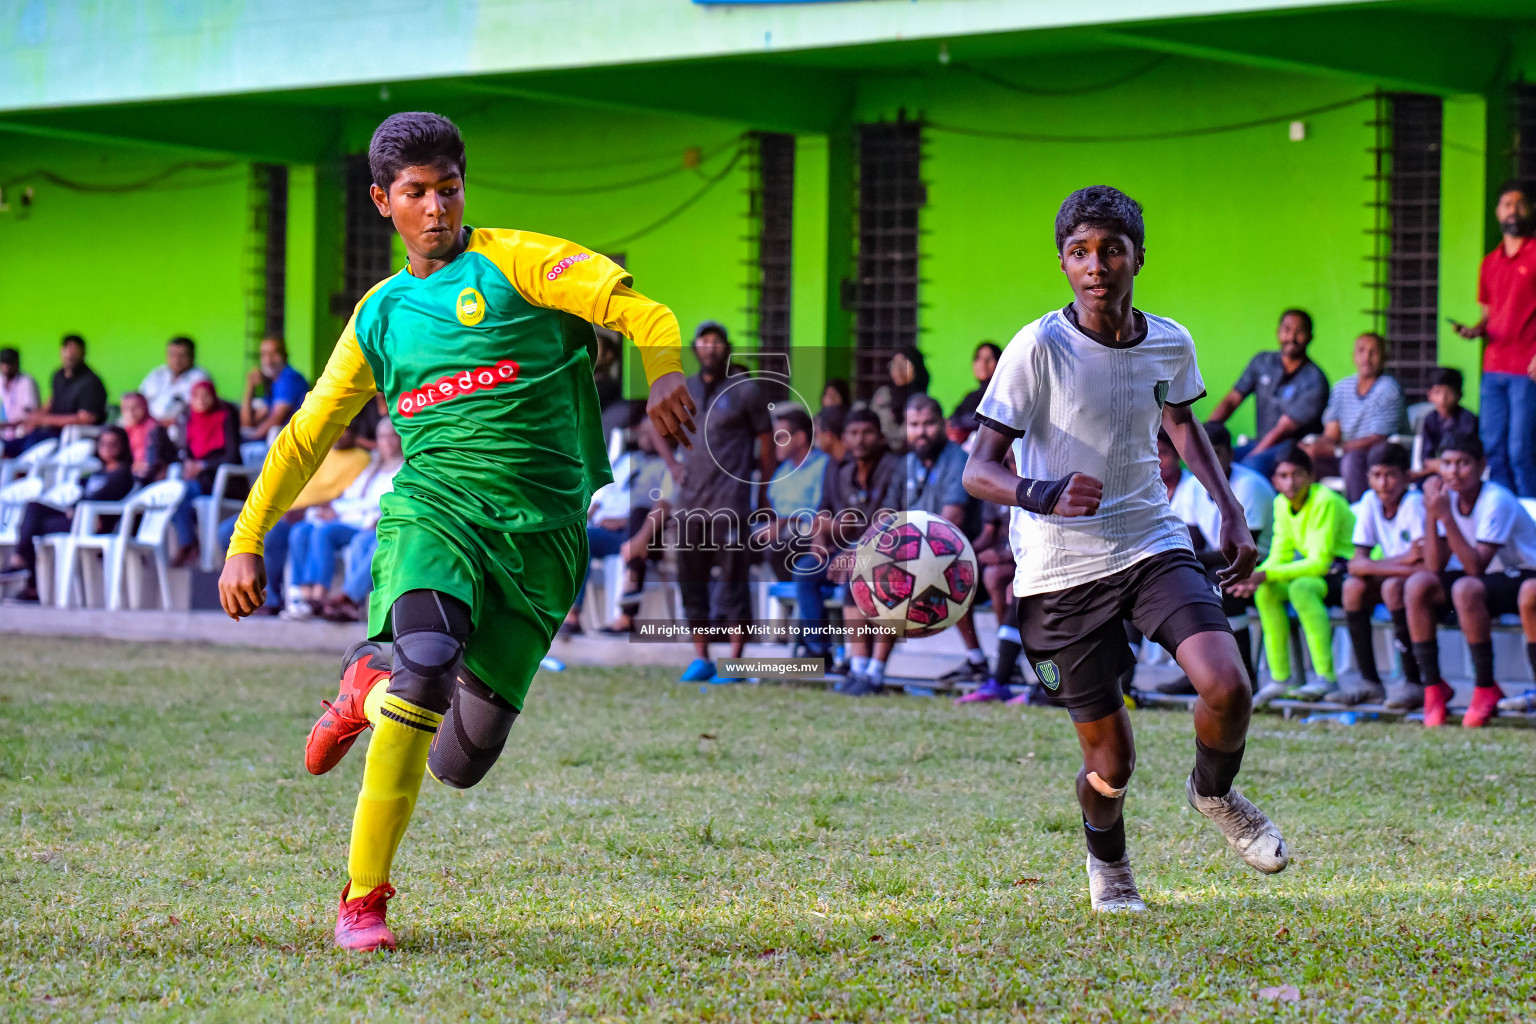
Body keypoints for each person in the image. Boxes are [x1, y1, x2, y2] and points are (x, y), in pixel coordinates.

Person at [217, 112, 693, 952]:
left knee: (459, 763)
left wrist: (663, 378)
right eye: (415, 193)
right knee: (427, 671)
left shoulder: (521, 261)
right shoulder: (382, 314)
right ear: (382, 202)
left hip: (542, 543)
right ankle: (363, 900)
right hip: (435, 513)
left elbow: (645, 313)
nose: (435, 207)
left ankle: (365, 685)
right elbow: (306, 435)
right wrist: (245, 538)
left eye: (448, 188)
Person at [963, 185, 1284, 914]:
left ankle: (1216, 793)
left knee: (1228, 685)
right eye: (1079, 252)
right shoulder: (1036, 347)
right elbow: (976, 470)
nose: (1096, 265)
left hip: (1150, 540)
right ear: (1063, 263)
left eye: (1111, 249)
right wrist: (1042, 493)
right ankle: (1108, 868)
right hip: (1059, 569)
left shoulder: (1170, 340)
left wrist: (1231, 511)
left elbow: (1182, 423)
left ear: (1138, 255)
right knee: (1111, 765)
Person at [1399, 433, 1536, 728]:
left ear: (1481, 466)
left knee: (1465, 587)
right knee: (1418, 585)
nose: (1454, 472)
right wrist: (1431, 514)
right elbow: (1434, 566)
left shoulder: (1496, 499)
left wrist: (1445, 516)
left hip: (1524, 573)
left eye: (1463, 463)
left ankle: (1485, 685)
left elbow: (1476, 567)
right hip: (1490, 580)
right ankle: (1433, 687)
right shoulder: (1448, 500)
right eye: (1447, 464)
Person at [670, 321, 774, 684]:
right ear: (695, 348)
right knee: (691, 579)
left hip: (730, 501)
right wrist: (671, 465)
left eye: (716, 341)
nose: (709, 347)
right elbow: (661, 425)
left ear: (726, 348)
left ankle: (735, 661)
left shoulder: (745, 390)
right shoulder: (687, 387)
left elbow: (766, 441)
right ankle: (701, 657)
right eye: (703, 341)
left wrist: (762, 489)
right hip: (690, 502)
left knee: (733, 579)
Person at [1227, 447, 1354, 703]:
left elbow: (1319, 563)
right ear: (1274, 480)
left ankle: (1326, 679)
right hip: (1322, 573)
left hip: (1346, 572)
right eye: (1283, 475)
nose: (1290, 482)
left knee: (1301, 588)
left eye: (1296, 474)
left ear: (1310, 476)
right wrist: (1257, 576)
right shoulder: (1280, 504)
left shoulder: (1324, 500)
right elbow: (1280, 554)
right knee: (1267, 591)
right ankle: (1280, 679)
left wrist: (1264, 574)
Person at [1162, 421, 1276, 695]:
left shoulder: (1251, 486)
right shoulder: (1191, 488)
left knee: (1217, 582)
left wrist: (1190, 560)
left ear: (1231, 454)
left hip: (1258, 563)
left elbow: (1242, 549)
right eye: (1202, 453)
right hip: (1216, 562)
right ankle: (1198, 674)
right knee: (1183, 580)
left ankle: (1245, 675)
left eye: (1216, 452)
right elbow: (1193, 542)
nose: (1209, 460)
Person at [218, 420, 372, 615]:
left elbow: (345, 497)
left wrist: (304, 511)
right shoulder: (320, 451)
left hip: (305, 516)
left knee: (273, 536)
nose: (340, 434)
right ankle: (244, 590)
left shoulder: (360, 459)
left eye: (347, 430)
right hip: (280, 509)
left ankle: (269, 599)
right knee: (226, 532)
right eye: (338, 429)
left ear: (356, 433)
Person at [798, 408, 900, 681]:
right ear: (844, 437)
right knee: (805, 569)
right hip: (843, 550)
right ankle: (821, 652)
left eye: (867, 433)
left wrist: (853, 548)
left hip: (885, 553)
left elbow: (891, 521)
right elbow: (822, 514)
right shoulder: (840, 469)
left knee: (855, 573)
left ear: (880, 437)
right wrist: (819, 542)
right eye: (853, 433)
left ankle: (861, 666)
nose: (860, 440)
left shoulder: (894, 468)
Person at [1454, 181, 1536, 496]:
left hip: (1526, 370)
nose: (1513, 210)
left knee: (1520, 451)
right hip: (1493, 368)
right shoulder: (1489, 263)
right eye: (1506, 204)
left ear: (1529, 210)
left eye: (1520, 203)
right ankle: (1503, 521)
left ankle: (1529, 522)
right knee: (1493, 450)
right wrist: (1473, 330)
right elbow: (1489, 317)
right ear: (1497, 212)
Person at [903, 394, 989, 686]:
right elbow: (886, 517)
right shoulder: (905, 464)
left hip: (961, 553)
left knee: (942, 570)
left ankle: (978, 659)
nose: (921, 431)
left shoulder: (958, 460)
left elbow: (949, 523)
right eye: (914, 424)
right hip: (913, 553)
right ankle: (865, 668)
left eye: (928, 423)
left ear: (943, 424)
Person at [0, 427, 135, 602]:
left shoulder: (123, 474)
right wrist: (73, 507)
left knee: (31, 528)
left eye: (113, 444)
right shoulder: (96, 474)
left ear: (123, 446)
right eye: (103, 443)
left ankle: (24, 574)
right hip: (76, 518)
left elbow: (105, 499)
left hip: (93, 524)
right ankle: (23, 568)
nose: (107, 448)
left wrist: (79, 509)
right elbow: (81, 494)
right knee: (33, 509)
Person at [1336, 442, 1425, 705]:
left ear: (1407, 477)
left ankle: (1414, 682)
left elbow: (1422, 564)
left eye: (1390, 475)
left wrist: (1385, 566)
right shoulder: (1369, 501)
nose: (1383, 483)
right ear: (1368, 477)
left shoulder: (1414, 503)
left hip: (1421, 581)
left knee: (1392, 587)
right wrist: (1403, 561)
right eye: (1376, 475)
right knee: (1352, 587)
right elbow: (1356, 563)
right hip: (1399, 575)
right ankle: (1369, 681)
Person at [288, 418, 404, 618]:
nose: (387, 441)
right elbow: (351, 494)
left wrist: (339, 511)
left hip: (371, 523)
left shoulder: (403, 469)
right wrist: (333, 508)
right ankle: (308, 597)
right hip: (353, 519)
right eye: (382, 436)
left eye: (392, 436)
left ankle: (325, 596)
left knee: (325, 532)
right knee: (304, 529)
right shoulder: (374, 468)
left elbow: (383, 503)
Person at [1208, 310, 1329, 480]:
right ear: (1278, 332)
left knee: (1248, 469)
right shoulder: (1262, 362)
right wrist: (1205, 434)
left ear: (1310, 337)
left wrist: (1248, 458)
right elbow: (1232, 400)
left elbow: (1283, 429)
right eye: (1287, 330)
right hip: (1260, 442)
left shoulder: (1315, 380)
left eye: (1299, 331)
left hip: (1291, 449)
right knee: (1209, 462)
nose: (1292, 337)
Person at [1307, 332, 1406, 501]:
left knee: (1352, 460)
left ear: (1384, 357)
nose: (1366, 357)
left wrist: (1338, 449)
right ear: (1353, 356)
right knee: (1302, 459)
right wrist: (1313, 448)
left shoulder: (1388, 389)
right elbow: (1332, 434)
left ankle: (1358, 515)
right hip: (1344, 454)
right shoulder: (1342, 387)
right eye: (1361, 351)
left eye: (1373, 352)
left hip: (1376, 458)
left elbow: (1379, 439)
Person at [167, 381, 244, 568]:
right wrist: (188, 464)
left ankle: (188, 544)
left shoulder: (226, 415)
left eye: (205, 395)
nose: (200, 400)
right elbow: (183, 450)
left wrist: (203, 465)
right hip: (197, 479)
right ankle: (188, 542)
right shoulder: (188, 418)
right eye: (196, 396)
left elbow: (232, 455)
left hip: (223, 480)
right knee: (174, 493)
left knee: (182, 492)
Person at [2, 335, 108, 457]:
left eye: (74, 351)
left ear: (83, 353)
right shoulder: (59, 375)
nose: (69, 355)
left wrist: (46, 420)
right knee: (8, 447)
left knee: (23, 451)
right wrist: (34, 419)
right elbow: (52, 400)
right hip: (47, 431)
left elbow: (86, 418)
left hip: (67, 437)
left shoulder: (90, 382)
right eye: (66, 350)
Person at [240, 336, 309, 441]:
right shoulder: (273, 382)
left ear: (284, 356)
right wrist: (250, 386)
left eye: (273, 354)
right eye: (264, 354)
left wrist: (250, 438)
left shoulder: (289, 377)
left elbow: (276, 418)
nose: (268, 360)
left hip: (296, 440)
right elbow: (248, 422)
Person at [1416, 367, 1477, 481]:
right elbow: (1426, 459)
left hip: (1460, 474)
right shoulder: (1429, 420)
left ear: (1459, 395)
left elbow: (1464, 458)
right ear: (1430, 395)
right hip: (1435, 475)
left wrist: (1442, 464)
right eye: (1437, 392)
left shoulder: (1468, 420)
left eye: (1448, 393)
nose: (1443, 399)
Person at [140, 336, 212, 428]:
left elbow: (200, 409)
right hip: (150, 426)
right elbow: (140, 398)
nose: (176, 360)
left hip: (182, 428)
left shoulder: (200, 378)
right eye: (172, 355)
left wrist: (174, 421)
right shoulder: (158, 374)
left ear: (193, 355)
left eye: (182, 355)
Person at [869, 345, 929, 448]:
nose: (898, 370)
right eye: (894, 365)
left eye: (904, 365)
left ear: (916, 367)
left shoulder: (922, 401)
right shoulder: (883, 394)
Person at [118, 392, 175, 486]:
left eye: (136, 407)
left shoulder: (154, 429)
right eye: (126, 408)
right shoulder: (124, 431)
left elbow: (153, 464)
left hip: (150, 478)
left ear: (145, 407)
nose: (131, 412)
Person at [949, 341, 1002, 439]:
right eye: (978, 358)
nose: (982, 363)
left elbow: (990, 421)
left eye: (989, 359)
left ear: (999, 362)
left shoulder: (1002, 395)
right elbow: (952, 419)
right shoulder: (971, 396)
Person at [0, 347, 40, 448]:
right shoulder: (1, 381)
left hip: (23, 433)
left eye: (10, 363)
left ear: (17, 363)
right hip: (5, 434)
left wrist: (7, 425)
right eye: (4, 363)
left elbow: (31, 417)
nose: (7, 367)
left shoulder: (26, 382)